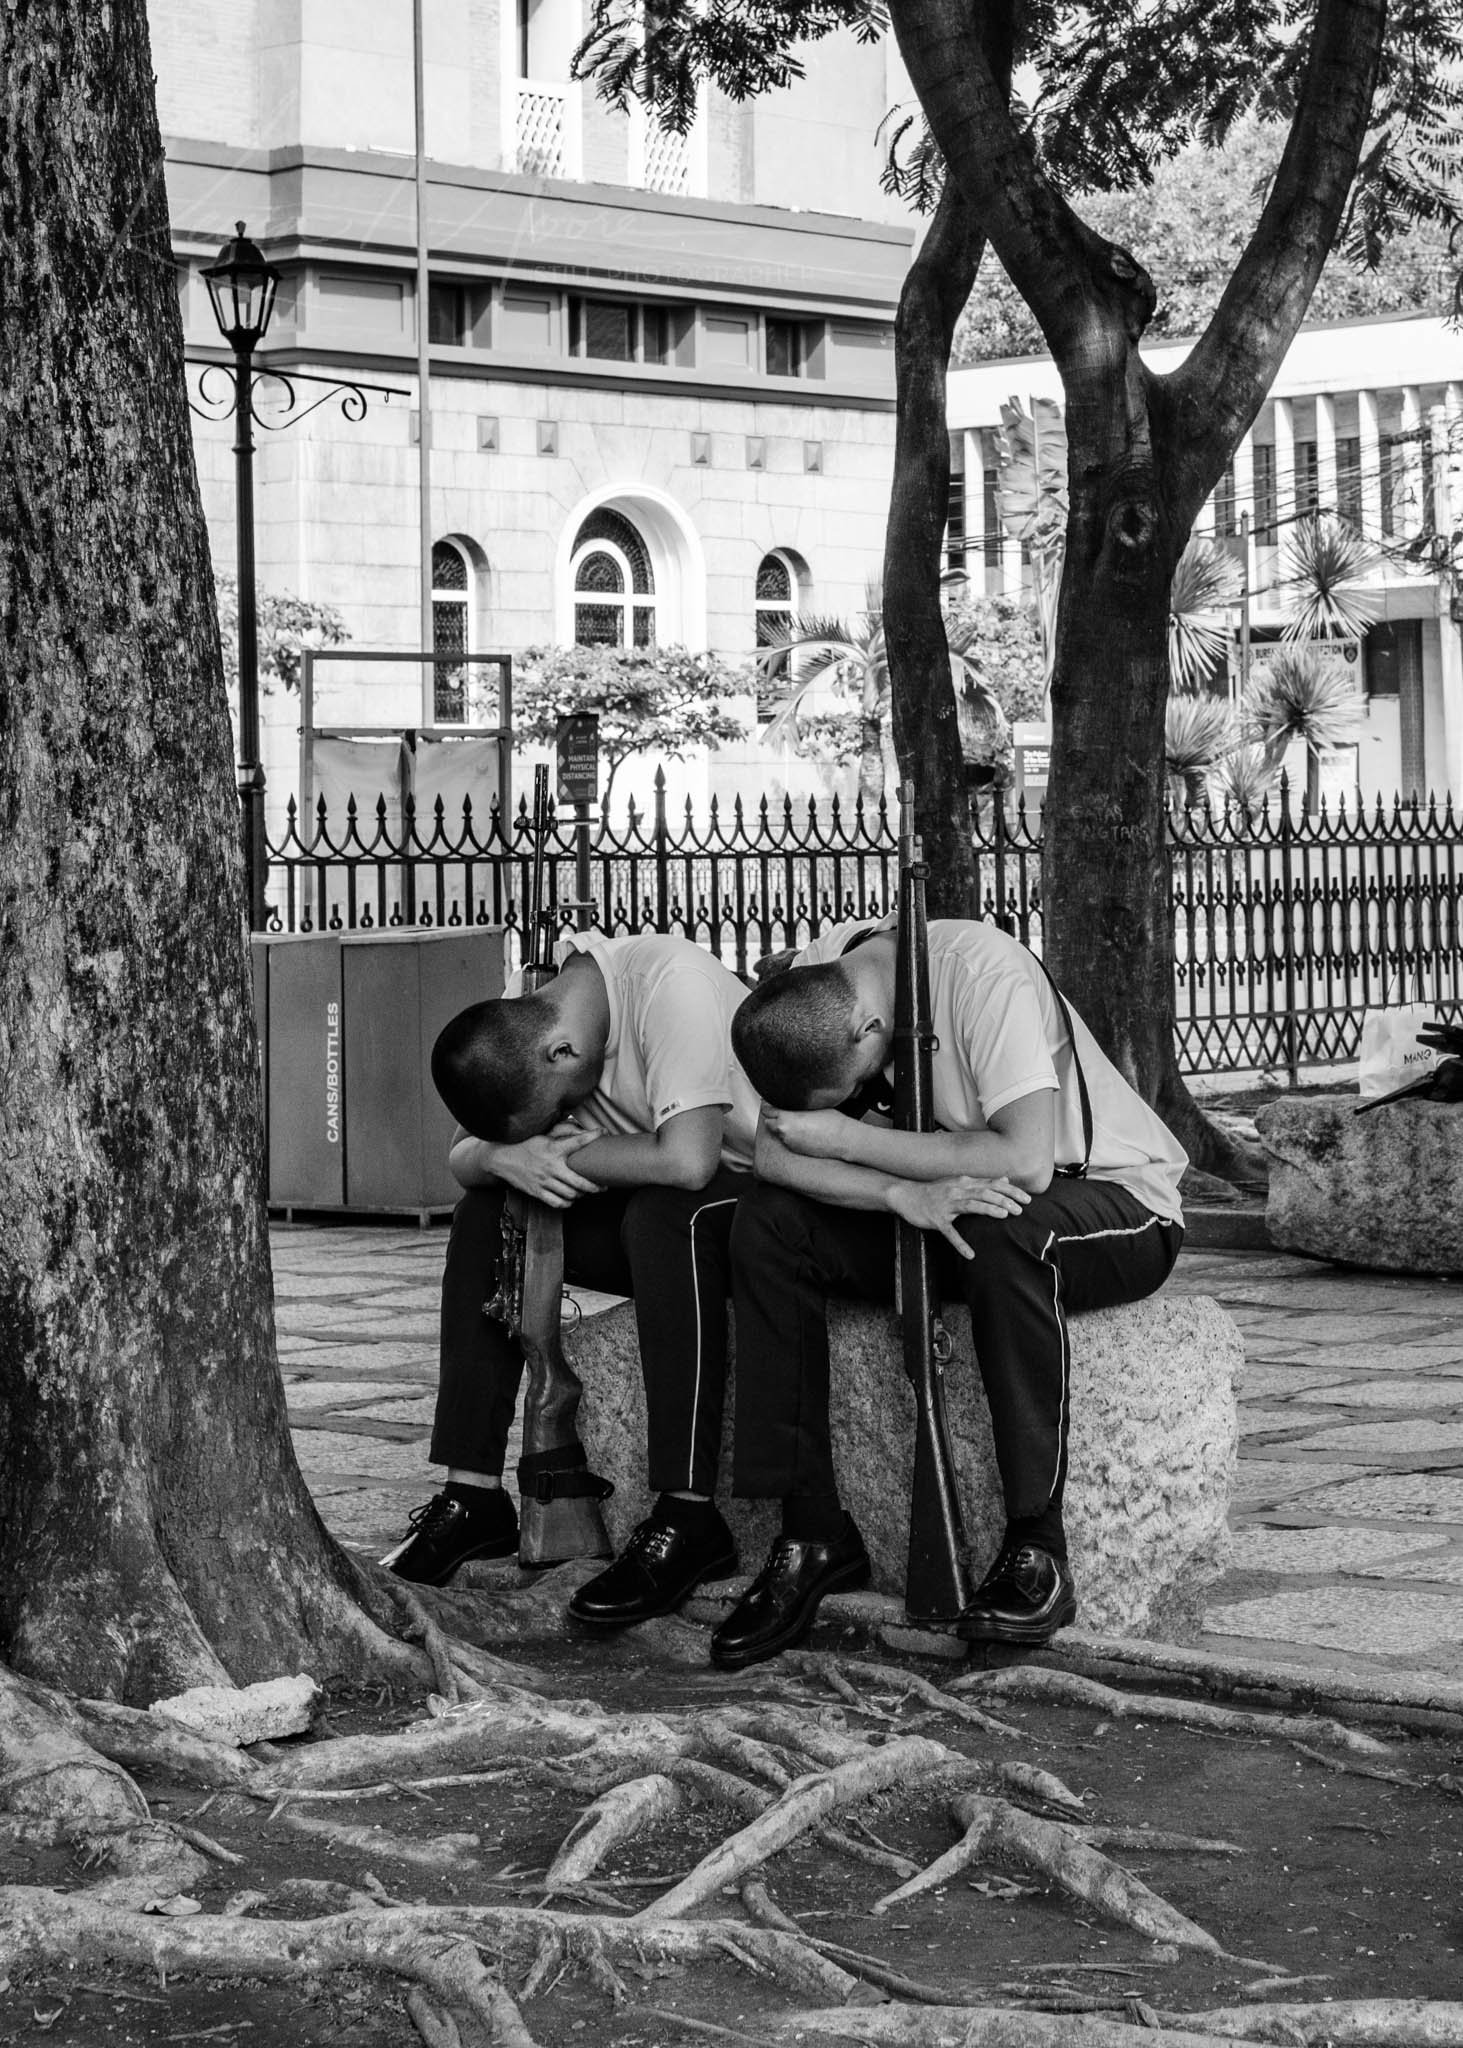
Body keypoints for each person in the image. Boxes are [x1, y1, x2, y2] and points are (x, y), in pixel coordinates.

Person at [713, 914, 1187, 1671]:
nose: (859, 1096)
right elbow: (775, 1156)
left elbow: (1026, 1160)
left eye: (856, 1083)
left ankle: (1037, 1546)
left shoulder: (980, 972)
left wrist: (847, 1140)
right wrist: (895, 1196)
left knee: (1007, 1228)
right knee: (766, 1223)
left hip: (1105, 1197)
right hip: (944, 1199)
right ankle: (811, 1532)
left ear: (870, 1030)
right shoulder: (814, 981)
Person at [382, 929, 759, 1628]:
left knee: (661, 1213)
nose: (558, 1121)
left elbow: (688, 1162)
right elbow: (463, 1156)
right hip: (657, 1210)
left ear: (562, 1053)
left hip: (755, 1211)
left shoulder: (668, 983)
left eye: (553, 1110)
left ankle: (688, 1515)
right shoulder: (528, 1013)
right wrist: (504, 1160)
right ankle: (472, 1497)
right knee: (484, 1210)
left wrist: (560, 1159)